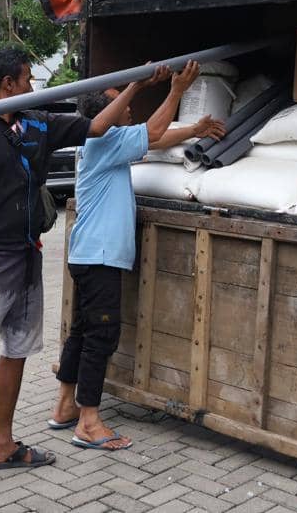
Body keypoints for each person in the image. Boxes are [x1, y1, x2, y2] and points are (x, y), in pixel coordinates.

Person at [0, 48, 166, 512]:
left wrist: (135, 86)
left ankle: (1, 445)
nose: (32, 87)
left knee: (17, 351)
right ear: (8, 84)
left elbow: (96, 127)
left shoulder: (37, 123)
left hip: (28, 254)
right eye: (28, 79)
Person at [47, 61, 226, 451]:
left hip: (88, 254)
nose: (127, 108)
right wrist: (175, 90)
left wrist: (193, 130)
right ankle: (89, 423)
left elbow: (153, 139)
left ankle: (64, 406)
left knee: (83, 330)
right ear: (103, 115)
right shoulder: (102, 141)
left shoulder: (103, 142)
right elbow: (153, 132)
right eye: (119, 103)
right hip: (100, 256)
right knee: (101, 335)